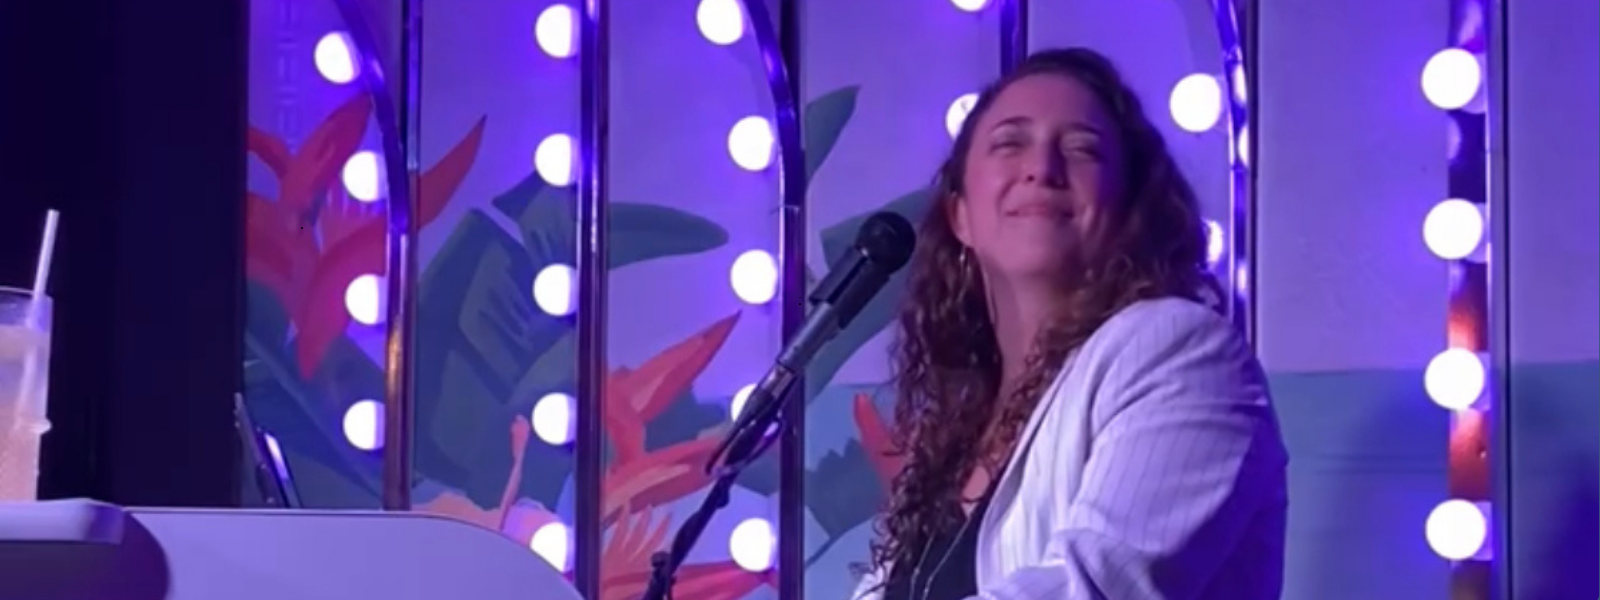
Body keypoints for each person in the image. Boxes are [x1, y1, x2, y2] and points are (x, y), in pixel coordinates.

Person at [850, 47, 1289, 600]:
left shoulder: (1182, 352)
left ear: (1130, 206)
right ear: (960, 216)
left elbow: (1092, 587)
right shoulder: (961, 432)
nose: (1042, 169)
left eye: (1082, 149)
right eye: (1011, 142)